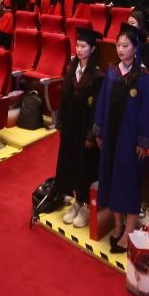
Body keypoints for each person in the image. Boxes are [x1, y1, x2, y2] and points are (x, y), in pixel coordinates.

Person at [93, 25, 149, 253]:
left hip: (130, 141)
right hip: (111, 138)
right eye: (118, 45)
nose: (120, 49)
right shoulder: (112, 71)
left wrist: (143, 142)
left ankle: (129, 231)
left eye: (125, 45)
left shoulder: (144, 77)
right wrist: (99, 131)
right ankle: (118, 224)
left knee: (129, 184)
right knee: (111, 179)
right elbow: (102, 103)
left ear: (136, 48)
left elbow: (148, 112)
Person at [56, 28, 104, 229]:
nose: (79, 49)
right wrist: (61, 122)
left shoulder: (97, 75)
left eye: (84, 46)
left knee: (85, 168)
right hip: (70, 127)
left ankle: (85, 206)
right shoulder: (72, 68)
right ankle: (76, 202)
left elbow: (97, 107)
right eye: (78, 45)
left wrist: (91, 134)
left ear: (92, 49)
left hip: (85, 130)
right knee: (70, 165)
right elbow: (64, 98)